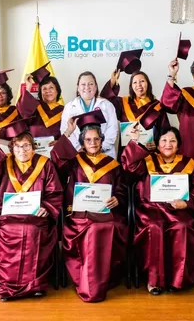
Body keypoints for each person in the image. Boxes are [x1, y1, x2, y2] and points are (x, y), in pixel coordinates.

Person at [0, 119, 63, 301]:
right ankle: (7, 286)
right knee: (11, 230)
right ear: (11, 148)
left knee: (32, 230)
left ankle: (35, 285)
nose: (22, 151)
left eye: (26, 146)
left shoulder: (45, 164)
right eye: (17, 147)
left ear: (34, 147)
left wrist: (47, 207)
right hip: (8, 215)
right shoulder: (4, 163)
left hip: (35, 215)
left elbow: (54, 192)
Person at [51, 110, 128, 302]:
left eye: (96, 139)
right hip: (79, 214)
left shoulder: (112, 164)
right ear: (82, 142)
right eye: (88, 140)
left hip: (106, 214)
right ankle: (89, 283)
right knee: (92, 229)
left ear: (102, 140)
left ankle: (100, 280)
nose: (92, 143)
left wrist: (117, 198)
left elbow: (121, 189)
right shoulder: (74, 161)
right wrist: (68, 132)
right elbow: (56, 158)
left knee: (106, 228)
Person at [121, 126, 194, 295]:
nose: (168, 144)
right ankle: (154, 281)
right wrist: (135, 141)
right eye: (164, 140)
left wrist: (187, 203)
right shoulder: (147, 161)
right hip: (150, 209)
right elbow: (128, 169)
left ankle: (178, 279)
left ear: (178, 145)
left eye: (173, 141)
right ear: (158, 144)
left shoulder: (188, 163)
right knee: (154, 227)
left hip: (180, 209)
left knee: (181, 226)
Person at [100, 69, 169, 153]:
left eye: (142, 81)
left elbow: (165, 130)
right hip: (127, 152)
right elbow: (106, 102)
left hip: (149, 152)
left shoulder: (157, 106)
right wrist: (113, 81)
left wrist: (158, 143)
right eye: (135, 82)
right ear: (131, 86)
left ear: (148, 84)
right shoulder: (123, 103)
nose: (139, 85)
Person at [60, 71, 118, 158]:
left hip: (104, 154)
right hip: (78, 154)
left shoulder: (107, 105)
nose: (87, 87)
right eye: (83, 84)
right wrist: (79, 148)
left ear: (95, 86)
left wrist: (100, 147)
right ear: (78, 88)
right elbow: (65, 130)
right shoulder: (69, 107)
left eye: (90, 84)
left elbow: (112, 129)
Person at [17, 65, 64, 144]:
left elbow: (69, 133)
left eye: (51, 87)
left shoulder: (64, 110)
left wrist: (60, 142)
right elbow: (23, 112)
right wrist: (28, 87)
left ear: (57, 90)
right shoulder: (35, 106)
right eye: (44, 88)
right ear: (40, 92)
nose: (47, 91)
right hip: (34, 149)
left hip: (55, 150)